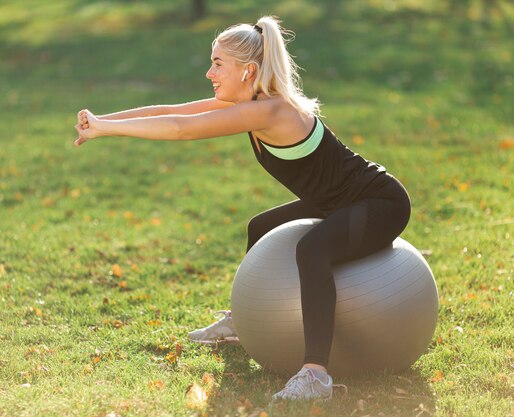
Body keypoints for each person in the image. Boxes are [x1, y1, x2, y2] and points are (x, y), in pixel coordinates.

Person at [74, 16, 411, 401]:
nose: (209, 72)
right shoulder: (251, 105)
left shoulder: (270, 111)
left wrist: (107, 127)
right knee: (261, 227)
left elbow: (182, 130)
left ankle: (316, 375)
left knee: (312, 249)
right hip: (336, 202)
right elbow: (175, 111)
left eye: (218, 64)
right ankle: (243, 323)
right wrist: (102, 124)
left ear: (248, 70)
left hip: (379, 203)